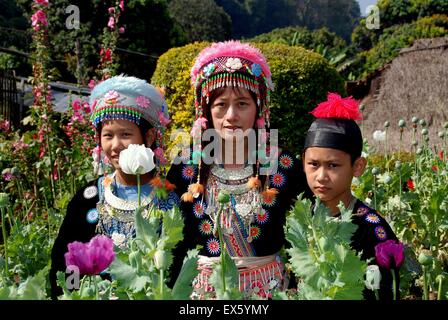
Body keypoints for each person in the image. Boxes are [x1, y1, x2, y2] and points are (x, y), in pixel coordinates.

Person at [167, 40, 311, 299]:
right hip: (200, 295)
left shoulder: (285, 166)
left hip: (268, 293)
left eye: (242, 103)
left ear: (259, 109)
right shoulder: (185, 166)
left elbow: (304, 241)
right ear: (206, 111)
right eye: (220, 104)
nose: (231, 115)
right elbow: (171, 244)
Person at [49, 75, 179, 299]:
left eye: (126, 134)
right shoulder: (88, 198)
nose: (115, 145)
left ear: (148, 137)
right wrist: (74, 294)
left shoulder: (172, 198)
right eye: (108, 135)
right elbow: (66, 261)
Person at [302, 92, 401, 300]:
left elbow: (387, 291)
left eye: (333, 165)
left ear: (357, 167)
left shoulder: (373, 229)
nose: (321, 176)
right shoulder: (300, 220)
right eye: (313, 164)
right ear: (303, 162)